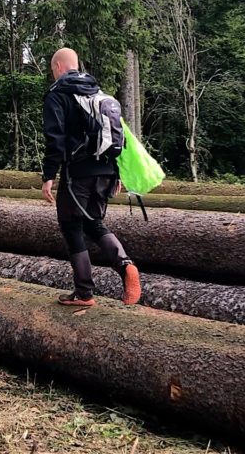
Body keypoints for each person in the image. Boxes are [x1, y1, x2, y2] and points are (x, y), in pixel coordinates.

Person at [41, 47, 141, 307]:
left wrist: (48, 175)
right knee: (93, 223)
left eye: (53, 70)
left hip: (79, 173)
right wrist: (117, 172)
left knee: (71, 226)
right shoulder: (97, 91)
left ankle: (84, 293)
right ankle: (126, 266)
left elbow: (55, 139)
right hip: (107, 170)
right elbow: (119, 134)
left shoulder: (58, 94)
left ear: (59, 67)